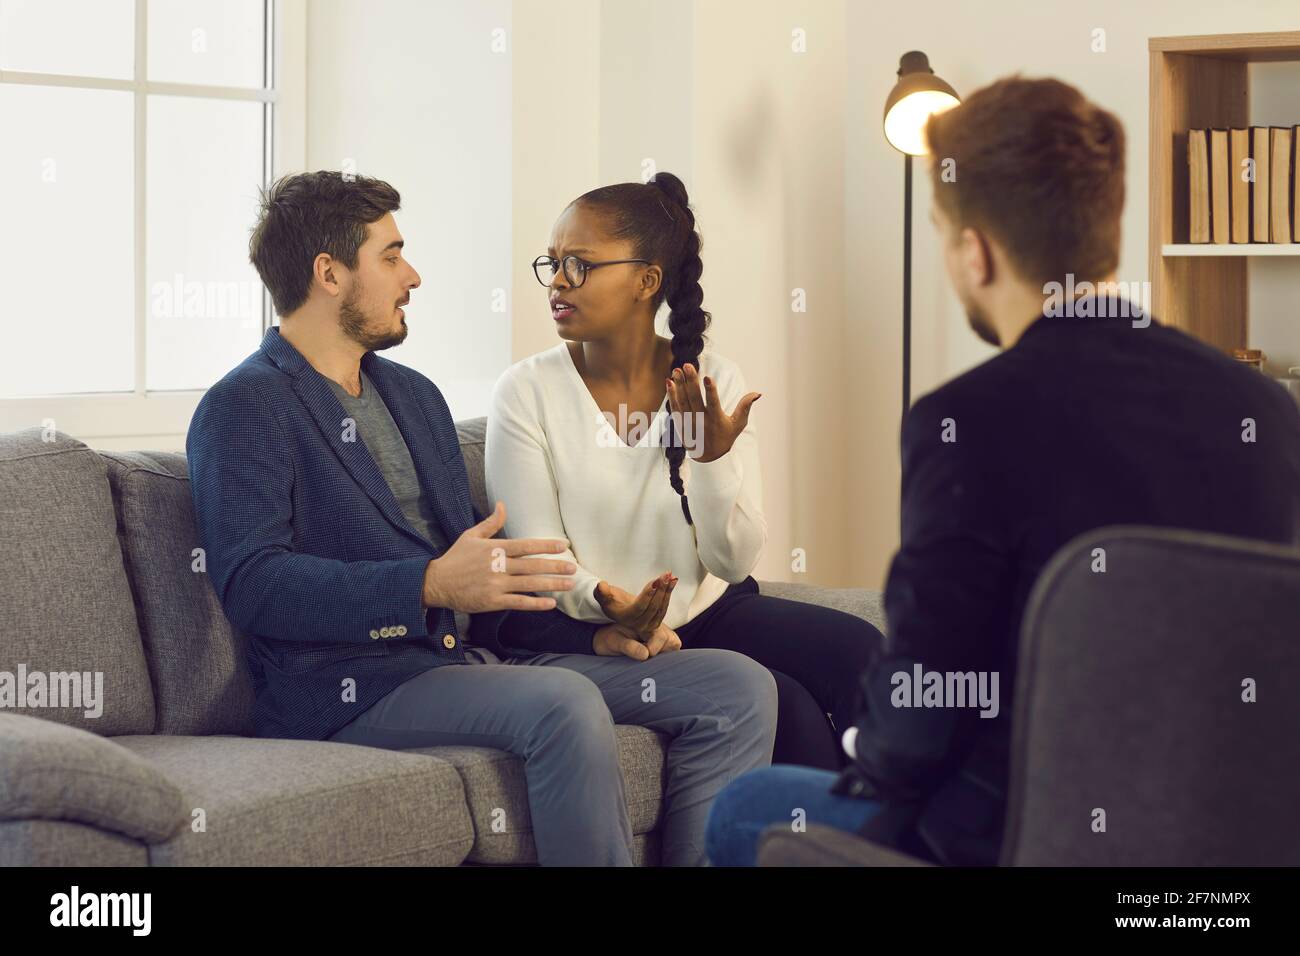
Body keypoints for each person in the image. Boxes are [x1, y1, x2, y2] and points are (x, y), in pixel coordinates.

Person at [704, 75, 1300, 866]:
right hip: (1234, 841)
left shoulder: (968, 422)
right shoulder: (1261, 406)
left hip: (1022, 834)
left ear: (975, 251)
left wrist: (870, 751)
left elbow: (922, 710)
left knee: (748, 805)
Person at [186, 170, 778, 866]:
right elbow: (256, 584)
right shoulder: (245, 406)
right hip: (351, 688)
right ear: (329, 274)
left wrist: (596, 635)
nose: (413, 276)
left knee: (737, 686)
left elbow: (488, 572)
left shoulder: (411, 396)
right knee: (561, 705)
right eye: (391, 255)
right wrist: (427, 585)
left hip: (465, 659)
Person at [486, 172, 884, 772]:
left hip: (708, 612)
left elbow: (733, 563)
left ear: (647, 281)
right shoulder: (526, 391)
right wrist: (607, 602)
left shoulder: (712, 379)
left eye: (580, 264)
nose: (558, 282)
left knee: (864, 654)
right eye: (553, 263)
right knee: (790, 708)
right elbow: (539, 558)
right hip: (598, 624)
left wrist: (711, 458)